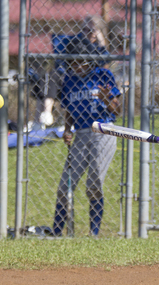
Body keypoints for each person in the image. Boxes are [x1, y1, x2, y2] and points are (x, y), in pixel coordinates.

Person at [51, 36, 122, 237]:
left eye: (80, 61)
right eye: (73, 62)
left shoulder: (103, 75)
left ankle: (94, 233)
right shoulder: (69, 80)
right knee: (65, 186)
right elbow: (70, 110)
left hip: (103, 131)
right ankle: (56, 233)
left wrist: (106, 98)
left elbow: (117, 111)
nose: (76, 65)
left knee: (93, 183)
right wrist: (67, 129)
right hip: (81, 134)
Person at [28, 16, 109, 128]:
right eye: (84, 29)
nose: (87, 33)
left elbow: (105, 63)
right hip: (69, 78)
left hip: (89, 82)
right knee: (48, 77)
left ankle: (49, 119)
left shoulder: (99, 48)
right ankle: (42, 118)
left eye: (91, 30)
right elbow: (63, 62)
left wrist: (101, 42)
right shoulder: (75, 42)